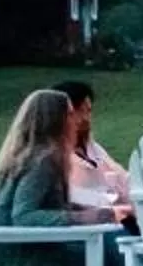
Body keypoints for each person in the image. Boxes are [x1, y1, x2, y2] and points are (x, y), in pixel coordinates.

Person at [0, 89, 118, 266]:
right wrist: (86, 217)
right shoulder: (43, 161)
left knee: (110, 246)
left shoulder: (20, 159)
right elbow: (24, 216)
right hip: (29, 263)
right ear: (55, 121)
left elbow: (45, 206)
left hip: (12, 256)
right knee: (115, 248)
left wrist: (92, 211)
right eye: (70, 114)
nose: (76, 121)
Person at [54, 77, 132, 210]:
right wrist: (111, 202)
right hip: (90, 218)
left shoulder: (93, 150)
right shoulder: (54, 156)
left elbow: (124, 180)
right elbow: (72, 196)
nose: (85, 118)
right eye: (78, 111)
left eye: (88, 111)